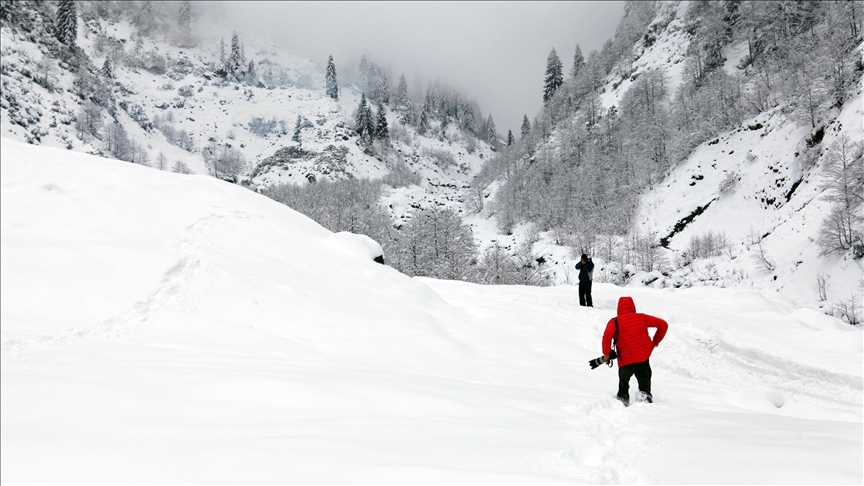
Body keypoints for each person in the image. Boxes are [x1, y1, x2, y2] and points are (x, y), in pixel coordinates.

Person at [602, 296, 668, 406]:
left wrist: (606, 354)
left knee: (623, 383)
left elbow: (607, 337)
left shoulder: (614, 322)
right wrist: (655, 341)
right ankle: (645, 400)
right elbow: (663, 325)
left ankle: (622, 401)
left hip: (625, 362)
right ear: (633, 306)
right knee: (644, 383)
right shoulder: (642, 318)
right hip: (643, 359)